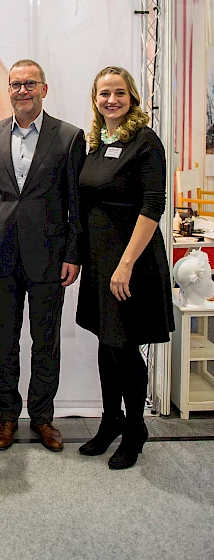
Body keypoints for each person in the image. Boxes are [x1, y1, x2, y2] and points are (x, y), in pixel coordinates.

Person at [0, 59, 85, 452]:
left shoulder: (69, 137)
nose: (22, 91)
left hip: (50, 257)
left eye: (29, 84)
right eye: (15, 84)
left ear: (44, 89)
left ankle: (42, 418)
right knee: (3, 343)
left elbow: (75, 203)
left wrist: (73, 253)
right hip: (2, 256)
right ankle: (6, 417)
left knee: (46, 342)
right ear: (8, 89)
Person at [76, 66, 173, 470]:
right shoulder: (98, 142)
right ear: (95, 99)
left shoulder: (145, 141)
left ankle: (135, 429)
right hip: (101, 261)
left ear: (131, 96)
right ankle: (110, 421)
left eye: (119, 93)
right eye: (104, 94)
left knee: (125, 347)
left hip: (131, 262)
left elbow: (153, 205)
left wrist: (126, 264)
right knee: (106, 343)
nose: (111, 100)